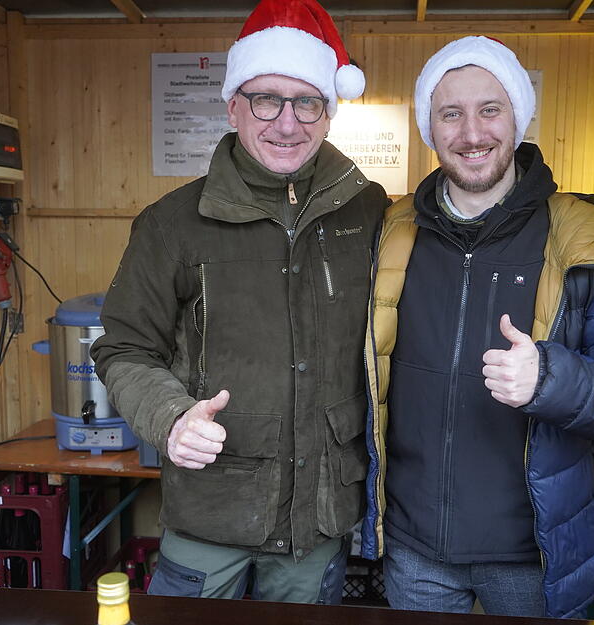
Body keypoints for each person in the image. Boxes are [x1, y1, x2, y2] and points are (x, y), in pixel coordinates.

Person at [359, 36, 594, 619]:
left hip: (535, 557)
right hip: (413, 553)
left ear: (518, 117)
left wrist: (552, 379)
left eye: (491, 109)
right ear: (430, 129)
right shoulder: (393, 232)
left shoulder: (583, 238)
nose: (472, 132)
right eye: (450, 114)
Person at [91, 0, 388, 605]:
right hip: (211, 512)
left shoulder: (370, 214)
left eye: (306, 101)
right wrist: (171, 416)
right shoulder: (172, 224)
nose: (287, 122)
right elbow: (124, 348)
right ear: (234, 106)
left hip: (320, 518)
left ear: (329, 111)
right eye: (266, 100)